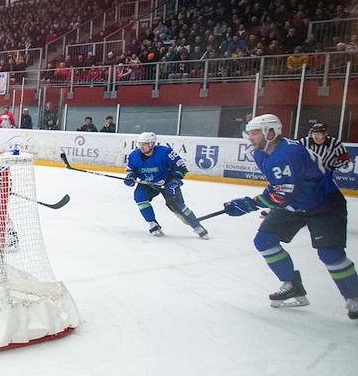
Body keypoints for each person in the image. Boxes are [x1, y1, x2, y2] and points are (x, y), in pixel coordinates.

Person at [222, 114, 356, 318]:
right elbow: (279, 187)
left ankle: (354, 296)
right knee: (264, 240)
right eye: (249, 133)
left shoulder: (288, 154)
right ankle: (292, 285)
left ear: (271, 132)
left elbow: (282, 194)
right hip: (295, 203)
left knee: (330, 255)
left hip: (324, 204)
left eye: (255, 133)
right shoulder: (261, 153)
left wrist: (250, 204)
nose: (250, 138)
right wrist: (255, 201)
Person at [125, 132, 208, 239]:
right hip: (148, 182)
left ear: (151, 144)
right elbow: (131, 170)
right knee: (139, 196)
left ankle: (197, 226)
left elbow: (181, 167)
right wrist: (130, 176)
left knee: (176, 205)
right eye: (140, 143)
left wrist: (175, 181)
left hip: (167, 182)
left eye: (144, 144)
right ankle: (152, 223)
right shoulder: (134, 155)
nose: (141, 146)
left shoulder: (165, 152)